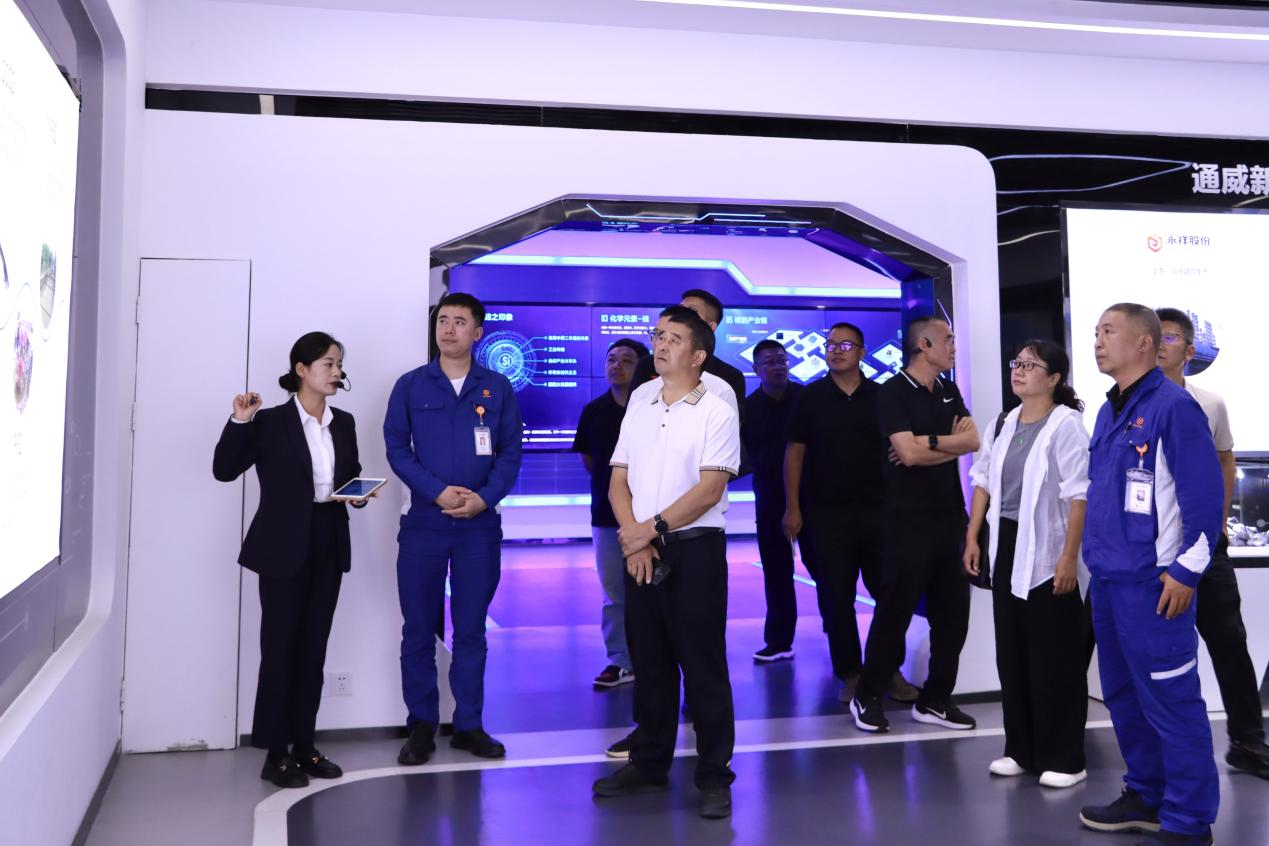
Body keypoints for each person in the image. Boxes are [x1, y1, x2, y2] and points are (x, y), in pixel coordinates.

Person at [1078, 303, 1223, 846]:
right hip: (1109, 582)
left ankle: (1188, 820)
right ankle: (1147, 795)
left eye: (1108, 331)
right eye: (1096, 332)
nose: (1097, 341)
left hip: (1156, 585)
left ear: (1144, 342)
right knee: (1123, 697)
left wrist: (1186, 573)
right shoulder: (1107, 410)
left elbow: (1204, 502)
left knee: (1171, 701)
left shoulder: (1174, 408)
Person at [591, 306, 741, 820]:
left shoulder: (717, 407)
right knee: (650, 660)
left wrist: (648, 530)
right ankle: (649, 763)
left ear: (698, 355)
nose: (660, 344)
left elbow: (709, 489)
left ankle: (714, 776)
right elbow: (618, 478)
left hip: (694, 548)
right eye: (658, 335)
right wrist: (635, 540)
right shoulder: (640, 400)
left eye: (674, 338)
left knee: (702, 665)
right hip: (641, 546)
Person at [213, 332, 372, 788]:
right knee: (280, 649)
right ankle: (275, 752)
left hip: (328, 539)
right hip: (282, 544)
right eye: (327, 364)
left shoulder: (344, 422)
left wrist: (358, 494)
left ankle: (305, 745)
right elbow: (224, 470)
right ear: (301, 370)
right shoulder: (269, 422)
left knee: (313, 649)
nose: (336, 372)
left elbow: (350, 475)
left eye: (338, 364)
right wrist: (240, 420)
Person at [384, 292, 523, 765]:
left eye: (459, 322)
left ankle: (469, 726)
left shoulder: (498, 388)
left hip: (478, 527)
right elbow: (396, 448)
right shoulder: (410, 385)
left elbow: (510, 453)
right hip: (424, 524)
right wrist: (436, 492)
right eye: (443, 320)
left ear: (477, 333)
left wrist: (483, 499)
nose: (448, 329)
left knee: (470, 631)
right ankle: (421, 727)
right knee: (419, 630)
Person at [965, 339, 1091, 789]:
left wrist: (1069, 558)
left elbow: (1080, 496)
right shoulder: (1003, 421)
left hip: (1050, 550)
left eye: (1030, 365)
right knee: (1013, 653)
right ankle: (1020, 749)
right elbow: (982, 480)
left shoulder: (1066, 425)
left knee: (1055, 658)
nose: (1018, 370)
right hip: (1006, 545)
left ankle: (1065, 758)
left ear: (1054, 378)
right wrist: (972, 536)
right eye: (1016, 362)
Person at [849, 316, 980, 733]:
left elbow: (973, 441)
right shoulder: (892, 392)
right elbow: (906, 454)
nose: (954, 346)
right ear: (924, 345)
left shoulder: (948, 390)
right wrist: (941, 445)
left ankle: (935, 699)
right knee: (896, 612)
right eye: (948, 339)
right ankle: (867, 694)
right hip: (905, 521)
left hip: (950, 518)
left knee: (953, 616)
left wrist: (928, 444)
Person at [1155, 307, 1269, 779]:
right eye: (1154, 335)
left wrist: (1219, 520)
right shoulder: (1126, 402)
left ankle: (1247, 739)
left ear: (1190, 350)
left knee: (1229, 638)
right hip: (1148, 547)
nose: (1159, 344)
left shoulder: (1210, 403)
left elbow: (1226, 459)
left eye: (1169, 337)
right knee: (1137, 645)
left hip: (1203, 541)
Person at [784, 322, 917, 703]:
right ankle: (851, 674)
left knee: (887, 592)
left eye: (845, 345)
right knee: (836, 595)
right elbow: (794, 453)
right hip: (826, 514)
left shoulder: (883, 396)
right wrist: (793, 508)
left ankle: (889, 670)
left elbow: (903, 446)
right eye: (830, 344)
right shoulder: (810, 397)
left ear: (861, 352)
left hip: (879, 511)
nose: (836, 350)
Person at [574, 338, 649, 689]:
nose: (616, 365)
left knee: (652, 591)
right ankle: (621, 660)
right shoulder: (593, 411)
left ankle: (654, 659)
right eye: (611, 359)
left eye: (626, 360)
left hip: (652, 517)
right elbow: (590, 460)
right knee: (614, 593)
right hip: (606, 516)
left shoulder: (654, 410)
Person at [743, 339, 805, 663]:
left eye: (782, 360)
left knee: (827, 569)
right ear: (756, 369)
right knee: (777, 572)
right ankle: (779, 641)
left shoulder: (807, 399)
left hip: (814, 497)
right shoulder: (747, 409)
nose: (778, 366)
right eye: (769, 362)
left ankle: (836, 631)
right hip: (769, 499)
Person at [628, 289, 746, 408]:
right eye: (660, 336)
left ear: (710, 327)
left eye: (691, 312)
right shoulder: (642, 386)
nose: (680, 316)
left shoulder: (726, 382)